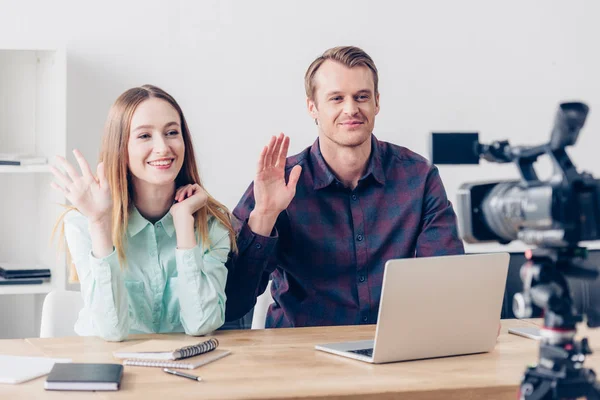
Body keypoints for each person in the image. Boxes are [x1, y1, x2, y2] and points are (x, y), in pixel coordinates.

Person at [225, 46, 465, 328]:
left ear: (376, 102)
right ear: (312, 107)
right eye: (336, 98)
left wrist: (465, 314)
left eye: (361, 97)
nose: (351, 109)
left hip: (393, 351)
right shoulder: (278, 181)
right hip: (299, 356)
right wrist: (264, 215)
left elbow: (446, 282)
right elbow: (231, 304)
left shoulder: (418, 177)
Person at [50, 85, 235, 341]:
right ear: (120, 148)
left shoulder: (211, 224)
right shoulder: (83, 222)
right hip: (107, 367)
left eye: (172, 132)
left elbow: (201, 324)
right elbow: (111, 331)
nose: (162, 148)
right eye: (144, 136)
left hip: (182, 370)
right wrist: (99, 223)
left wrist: (184, 224)